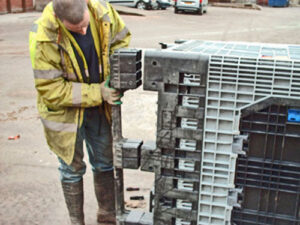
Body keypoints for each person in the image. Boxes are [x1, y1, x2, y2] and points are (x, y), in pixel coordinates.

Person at [29, 0, 130, 224]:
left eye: (85, 25)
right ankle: (77, 221)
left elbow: (121, 42)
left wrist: (115, 79)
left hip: (98, 108)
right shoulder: (44, 34)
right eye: (76, 30)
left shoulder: (103, 12)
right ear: (59, 20)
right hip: (64, 113)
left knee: (105, 162)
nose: (84, 31)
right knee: (71, 170)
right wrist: (97, 92)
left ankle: (107, 216)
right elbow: (50, 88)